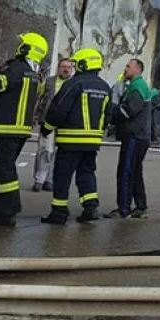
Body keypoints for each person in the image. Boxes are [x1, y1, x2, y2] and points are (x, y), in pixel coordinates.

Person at [0, 32, 48, 226]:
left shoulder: (17, 68)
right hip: (18, 129)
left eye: (22, 44)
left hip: (9, 128)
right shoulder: (33, 74)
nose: (18, 46)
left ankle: (9, 209)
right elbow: (12, 92)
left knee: (4, 171)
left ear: (28, 49)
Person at [40, 47, 110, 225]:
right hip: (93, 142)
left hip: (70, 141)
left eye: (76, 63)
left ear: (84, 64)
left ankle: (59, 212)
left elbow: (59, 109)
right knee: (86, 173)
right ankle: (90, 207)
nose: (74, 66)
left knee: (62, 175)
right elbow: (108, 115)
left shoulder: (73, 83)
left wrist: (47, 128)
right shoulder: (105, 87)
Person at [106, 58, 152, 219]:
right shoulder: (138, 86)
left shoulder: (137, 87)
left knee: (125, 172)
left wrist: (111, 111)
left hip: (134, 136)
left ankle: (123, 208)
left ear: (138, 69)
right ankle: (140, 206)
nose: (125, 69)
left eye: (128, 66)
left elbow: (127, 111)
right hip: (139, 136)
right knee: (135, 171)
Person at [32, 57, 75, 193]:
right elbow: (39, 98)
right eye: (63, 66)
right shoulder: (49, 81)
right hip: (47, 120)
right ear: (58, 68)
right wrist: (34, 116)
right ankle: (39, 179)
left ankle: (50, 179)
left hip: (65, 124)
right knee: (45, 150)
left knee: (58, 152)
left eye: (68, 67)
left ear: (72, 69)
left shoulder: (74, 83)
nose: (66, 69)